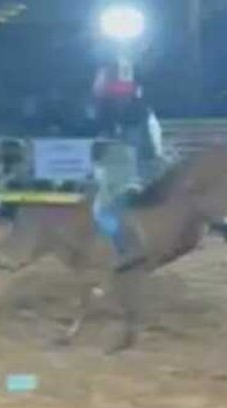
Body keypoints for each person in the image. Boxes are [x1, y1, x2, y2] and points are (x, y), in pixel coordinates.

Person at [87, 63, 165, 270]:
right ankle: (127, 249)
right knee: (101, 210)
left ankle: (131, 249)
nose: (116, 99)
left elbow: (151, 153)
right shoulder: (121, 116)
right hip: (124, 174)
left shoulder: (139, 117)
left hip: (139, 174)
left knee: (106, 211)